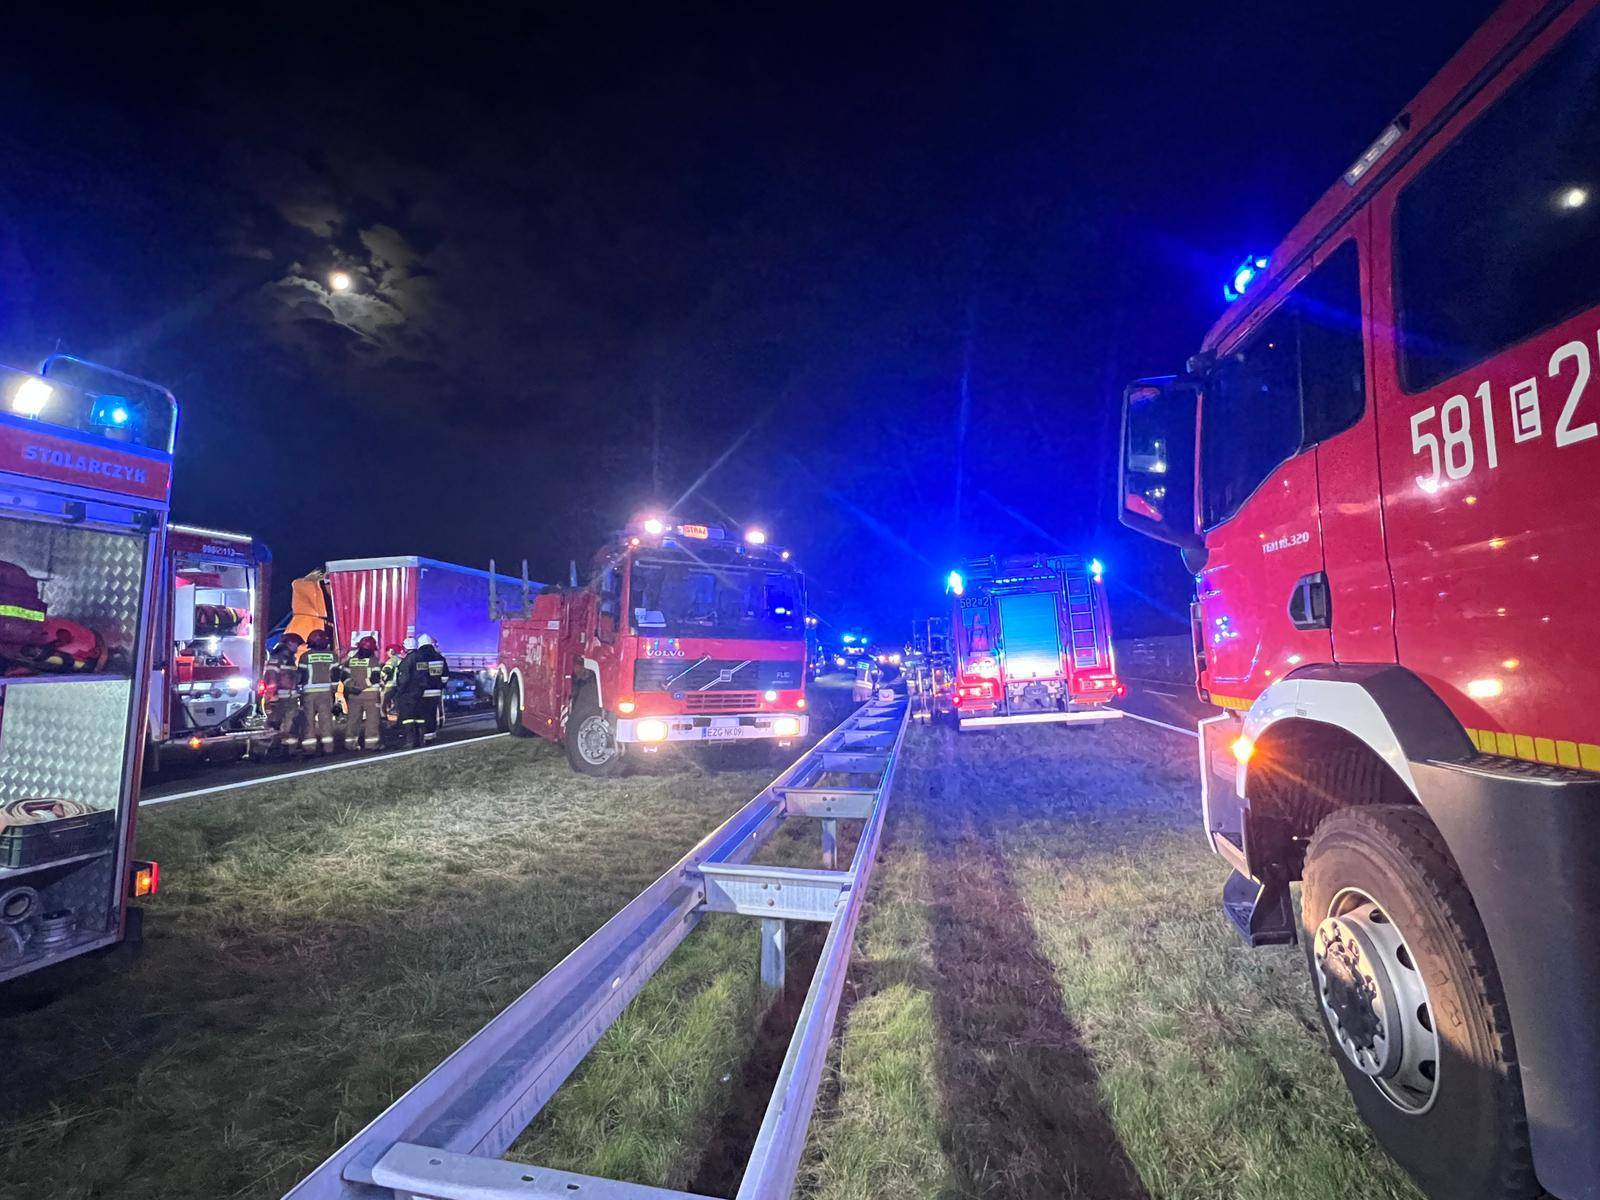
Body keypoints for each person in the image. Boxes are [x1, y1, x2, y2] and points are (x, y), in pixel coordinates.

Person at [393, 633, 448, 747]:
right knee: (432, 714)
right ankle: (430, 737)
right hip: (436, 691)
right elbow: (445, 676)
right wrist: (441, 685)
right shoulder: (439, 657)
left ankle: (420, 738)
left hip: (422, 691)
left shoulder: (420, 657)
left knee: (422, 714)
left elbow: (416, 675)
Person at [339, 635, 384, 751]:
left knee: (353, 721)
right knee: (372, 721)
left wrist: (351, 687)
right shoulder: (374, 661)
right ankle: (371, 744)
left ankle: (350, 744)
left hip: (354, 696)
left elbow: (343, 676)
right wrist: (361, 686)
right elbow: (375, 678)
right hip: (371, 696)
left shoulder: (351, 660)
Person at [299, 627, 339, 755]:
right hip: (326, 693)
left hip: (309, 694)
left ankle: (309, 748)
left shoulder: (305, 657)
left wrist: (299, 690)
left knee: (308, 721)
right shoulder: (332, 656)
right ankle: (328, 747)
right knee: (326, 720)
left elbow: (301, 675)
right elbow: (335, 675)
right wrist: (334, 689)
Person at [261, 639, 303, 751]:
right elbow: (271, 678)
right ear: (289, 643)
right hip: (279, 697)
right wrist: (272, 695)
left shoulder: (289, 659)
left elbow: (292, 678)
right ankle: (265, 749)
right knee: (274, 724)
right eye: (296, 644)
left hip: (290, 698)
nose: (297, 647)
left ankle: (286, 749)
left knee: (290, 725)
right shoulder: (277, 659)